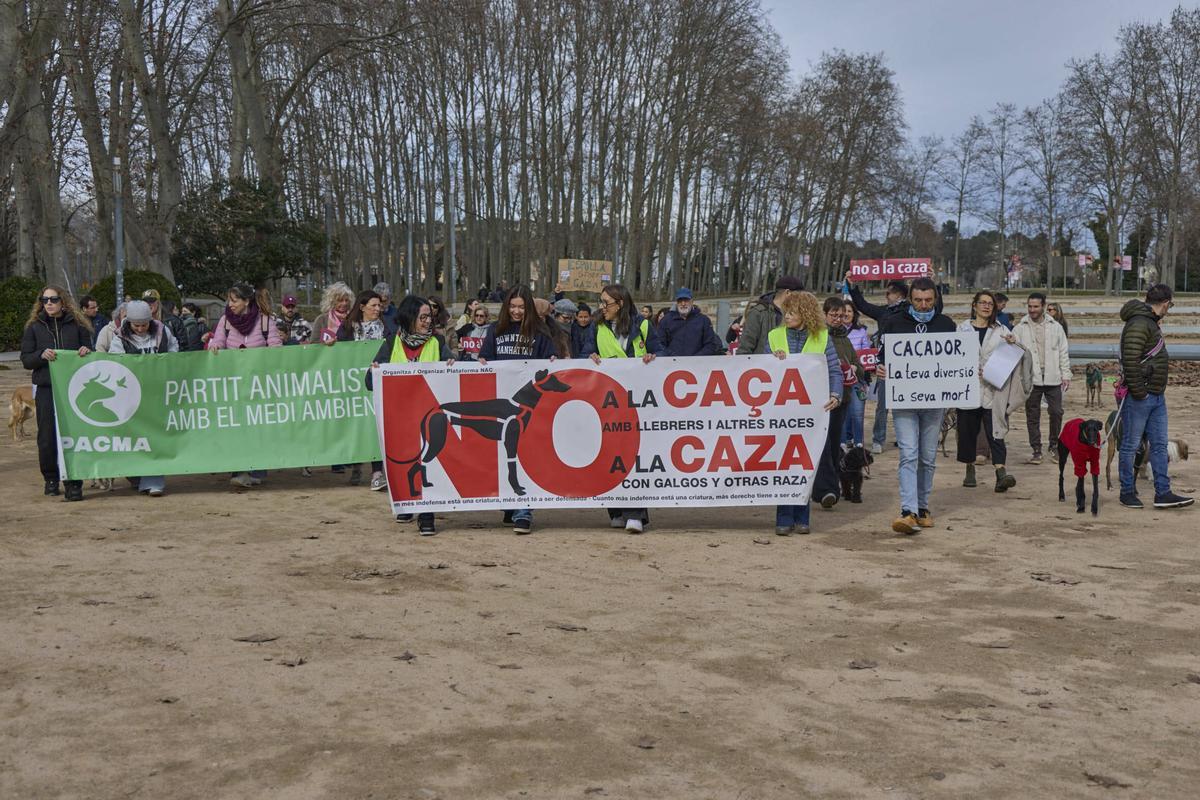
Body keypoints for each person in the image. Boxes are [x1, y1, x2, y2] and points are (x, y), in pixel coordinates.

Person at [877, 277, 957, 534]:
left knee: (928, 457)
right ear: (910, 299)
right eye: (918, 300)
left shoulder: (946, 325)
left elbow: (956, 359)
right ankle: (907, 510)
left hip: (935, 401)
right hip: (904, 400)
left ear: (936, 299)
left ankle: (923, 507)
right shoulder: (893, 323)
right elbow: (881, 356)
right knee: (909, 453)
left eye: (928, 300)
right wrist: (880, 368)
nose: (923, 305)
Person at [369, 294, 455, 534]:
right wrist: (375, 371)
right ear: (409, 318)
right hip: (401, 419)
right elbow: (369, 382)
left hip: (430, 417)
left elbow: (454, 375)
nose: (428, 321)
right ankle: (406, 503)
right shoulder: (391, 344)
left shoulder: (437, 342)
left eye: (430, 317)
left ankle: (427, 515)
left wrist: (452, 366)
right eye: (423, 317)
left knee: (429, 464)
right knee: (405, 464)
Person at [477, 286, 559, 534]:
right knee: (505, 453)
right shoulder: (495, 330)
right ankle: (510, 505)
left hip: (529, 408)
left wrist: (553, 362)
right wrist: (482, 362)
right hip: (503, 404)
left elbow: (549, 364)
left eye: (521, 307)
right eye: (512, 306)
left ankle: (524, 510)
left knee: (526, 453)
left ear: (529, 308)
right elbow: (485, 357)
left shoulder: (540, 332)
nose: (516, 311)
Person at [586, 283, 660, 533]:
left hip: (637, 401)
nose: (602, 307)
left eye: (606, 302)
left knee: (633, 455)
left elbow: (662, 353)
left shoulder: (643, 325)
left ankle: (635, 514)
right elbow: (585, 352)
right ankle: (617, 510)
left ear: (620, 304)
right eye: (601, 302)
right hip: (606, 400)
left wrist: (652, 357)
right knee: (609, 455)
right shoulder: (597, 326)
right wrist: (590, 357)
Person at [767, 292, 841, 535]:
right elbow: (760, 369)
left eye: (792, 312)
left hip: (811, 413)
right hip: (781, 411)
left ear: (805, 314)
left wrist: (835, 394)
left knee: (804, 463)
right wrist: (772, 359)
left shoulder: (823, 337)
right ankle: (784, 517)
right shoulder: (774, 336)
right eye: (786, 312)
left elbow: (834, 370)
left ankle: (802, 517)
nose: (787, 316)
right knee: (783, 463)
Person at [845, 274, 944, 455]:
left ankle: (908, 438)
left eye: (888, 293)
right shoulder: (884, 312)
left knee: (913, 405)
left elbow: (936, 308)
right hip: (889, 368)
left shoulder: (913, 311)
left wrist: (933, 282)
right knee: (882, 406)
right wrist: (852, 287)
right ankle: (878, 439)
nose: (886, 296)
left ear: (899, 295)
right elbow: (863, 306)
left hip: (915, 369)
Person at [1117, 284, 1193, 509]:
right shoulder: (1140, 323)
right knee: (1131, 445)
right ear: (1166, 303)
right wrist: (1140, 392)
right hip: (1142, 396)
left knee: (1159, 445)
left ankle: (1163, 493)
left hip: (1156, 394)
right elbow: (1130, 360)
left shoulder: (1149, 322)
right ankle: (1127, 492)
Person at [20, 286, 92, 501]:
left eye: (53, 299)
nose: (49, 303)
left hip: (73, 389)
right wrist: (41, 355)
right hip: (46, 388)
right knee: (47, 436)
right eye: (45, 300)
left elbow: (90, 352)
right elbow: (26, 359)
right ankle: (51, 478)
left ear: (63, 301)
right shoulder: (34, 327)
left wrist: (86, 352)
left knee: (73, 435)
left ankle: (74, 481)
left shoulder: (78, 325)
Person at [208, 283, 282, 488]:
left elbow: (276, 348)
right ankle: (239, 470)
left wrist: (265, 356)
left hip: (259, 385)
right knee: (236, 426)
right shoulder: (225, 321)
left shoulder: (265, 321)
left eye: (234, 300)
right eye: (229, 300)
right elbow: (218, 341)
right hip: (234, 385)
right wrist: (214, 346)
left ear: (246, 301)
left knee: (258, 426)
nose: (230, 304)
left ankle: (257, 470)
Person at [956, 291, 1024, 492]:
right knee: (967, 432)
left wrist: (1014, 342)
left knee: (996, 432)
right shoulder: (962, 329)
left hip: (994, 390)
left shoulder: (1002, 330)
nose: (986, 306)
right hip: (968, 389)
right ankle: (970, 470)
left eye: (990, 304)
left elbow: (1014, 354)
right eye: (982, 303)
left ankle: (1001, 473)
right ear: (974, 305)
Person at [109, 300, 178, 497]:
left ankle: (154, 481)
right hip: (131, 395)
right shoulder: (119, 337)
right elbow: (115, 361)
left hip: (158, 393)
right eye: (136, 325)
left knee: (155, 437)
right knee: (135, 438)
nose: (140, 329)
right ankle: (137, 476)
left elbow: (174, 350)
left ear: (151, 320)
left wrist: (169, 360)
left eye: (144, 325)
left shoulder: (163, 332)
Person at [337, 290, 388, 490]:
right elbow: (338, 351)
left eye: (379, 305)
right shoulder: (347, 328)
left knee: (375, 427)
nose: (377, 309)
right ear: (362, 307)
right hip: (352, 386)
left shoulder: (386, 328)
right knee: (357, 425)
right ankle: (356, 466)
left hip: (375, 384)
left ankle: (377, 473)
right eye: (373, 305)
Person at [1012, 292, 1071, 465]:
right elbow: (1013, 351)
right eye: (1030, 306)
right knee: (1032, 414)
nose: (1032, 310)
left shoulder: (1056, 327)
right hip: (1031, 379)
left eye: (1036, 306)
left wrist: (1066, 374)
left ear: (1043, 306)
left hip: (1053, 377)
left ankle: (1054, 445)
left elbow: (1063, 351)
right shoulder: (1020, 328)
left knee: (1056, 412)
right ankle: (1036, 449)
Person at [736, 275, 803, 356]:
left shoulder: (799, 313)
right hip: (762, 363)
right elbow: (744, 348)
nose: (801, 298)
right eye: (799, 294)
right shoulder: (758, 313)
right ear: (788, 293)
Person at [656, 288, 724, 357]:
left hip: (698, 362)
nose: (683, 304)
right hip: (672, 362)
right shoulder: (666, 320)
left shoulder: (703, 320)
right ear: (676, 303)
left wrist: (695, 359)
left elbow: (710, 344)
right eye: (680, 301)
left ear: (692, 301)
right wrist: (673, 357)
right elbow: (659, 343)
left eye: (686, 300)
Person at [842, 301, 871, 445]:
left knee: (857, 412)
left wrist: (859, 369)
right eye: (844, 311)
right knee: (843, 413)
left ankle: (859, 443)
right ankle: (844, 442)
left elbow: (866, 354)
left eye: (849, 311)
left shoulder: (861, 331)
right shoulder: (831, 332)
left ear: (854, 314)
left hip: (857, 378)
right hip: (840, 378)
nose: (846, 314)